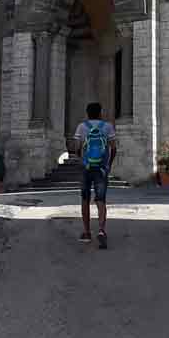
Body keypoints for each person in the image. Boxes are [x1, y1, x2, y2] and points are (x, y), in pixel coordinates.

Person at [73, 101, 116, 248]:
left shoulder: (82, 127)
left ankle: (86, 232)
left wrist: (81, 161)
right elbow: (113, 148)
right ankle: (102, 230)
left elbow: (77, 148)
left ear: (87, 113)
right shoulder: (107, 127)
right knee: (101, 199)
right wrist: (108, 165)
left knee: (85, 199)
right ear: (100, 112)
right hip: (102, 168)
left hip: (86, 167)